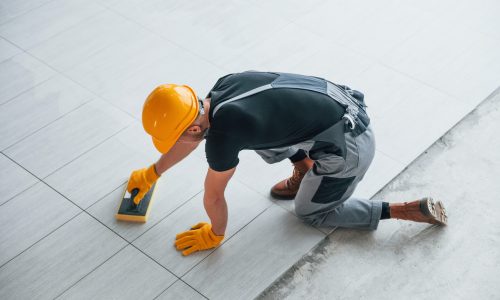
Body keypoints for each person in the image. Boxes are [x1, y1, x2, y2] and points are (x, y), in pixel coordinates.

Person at [127, 71, 448, 256]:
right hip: (336, 111)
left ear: (194, 128)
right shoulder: (221, 90)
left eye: (178, 137)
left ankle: (399, 210)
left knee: (309, 213)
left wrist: (215, 233)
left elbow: (213, 196)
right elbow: (192, 139)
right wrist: (153, 173)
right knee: (258, 137)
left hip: (350, 145)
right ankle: (304, 167)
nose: (179, 144)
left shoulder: (224, 133)